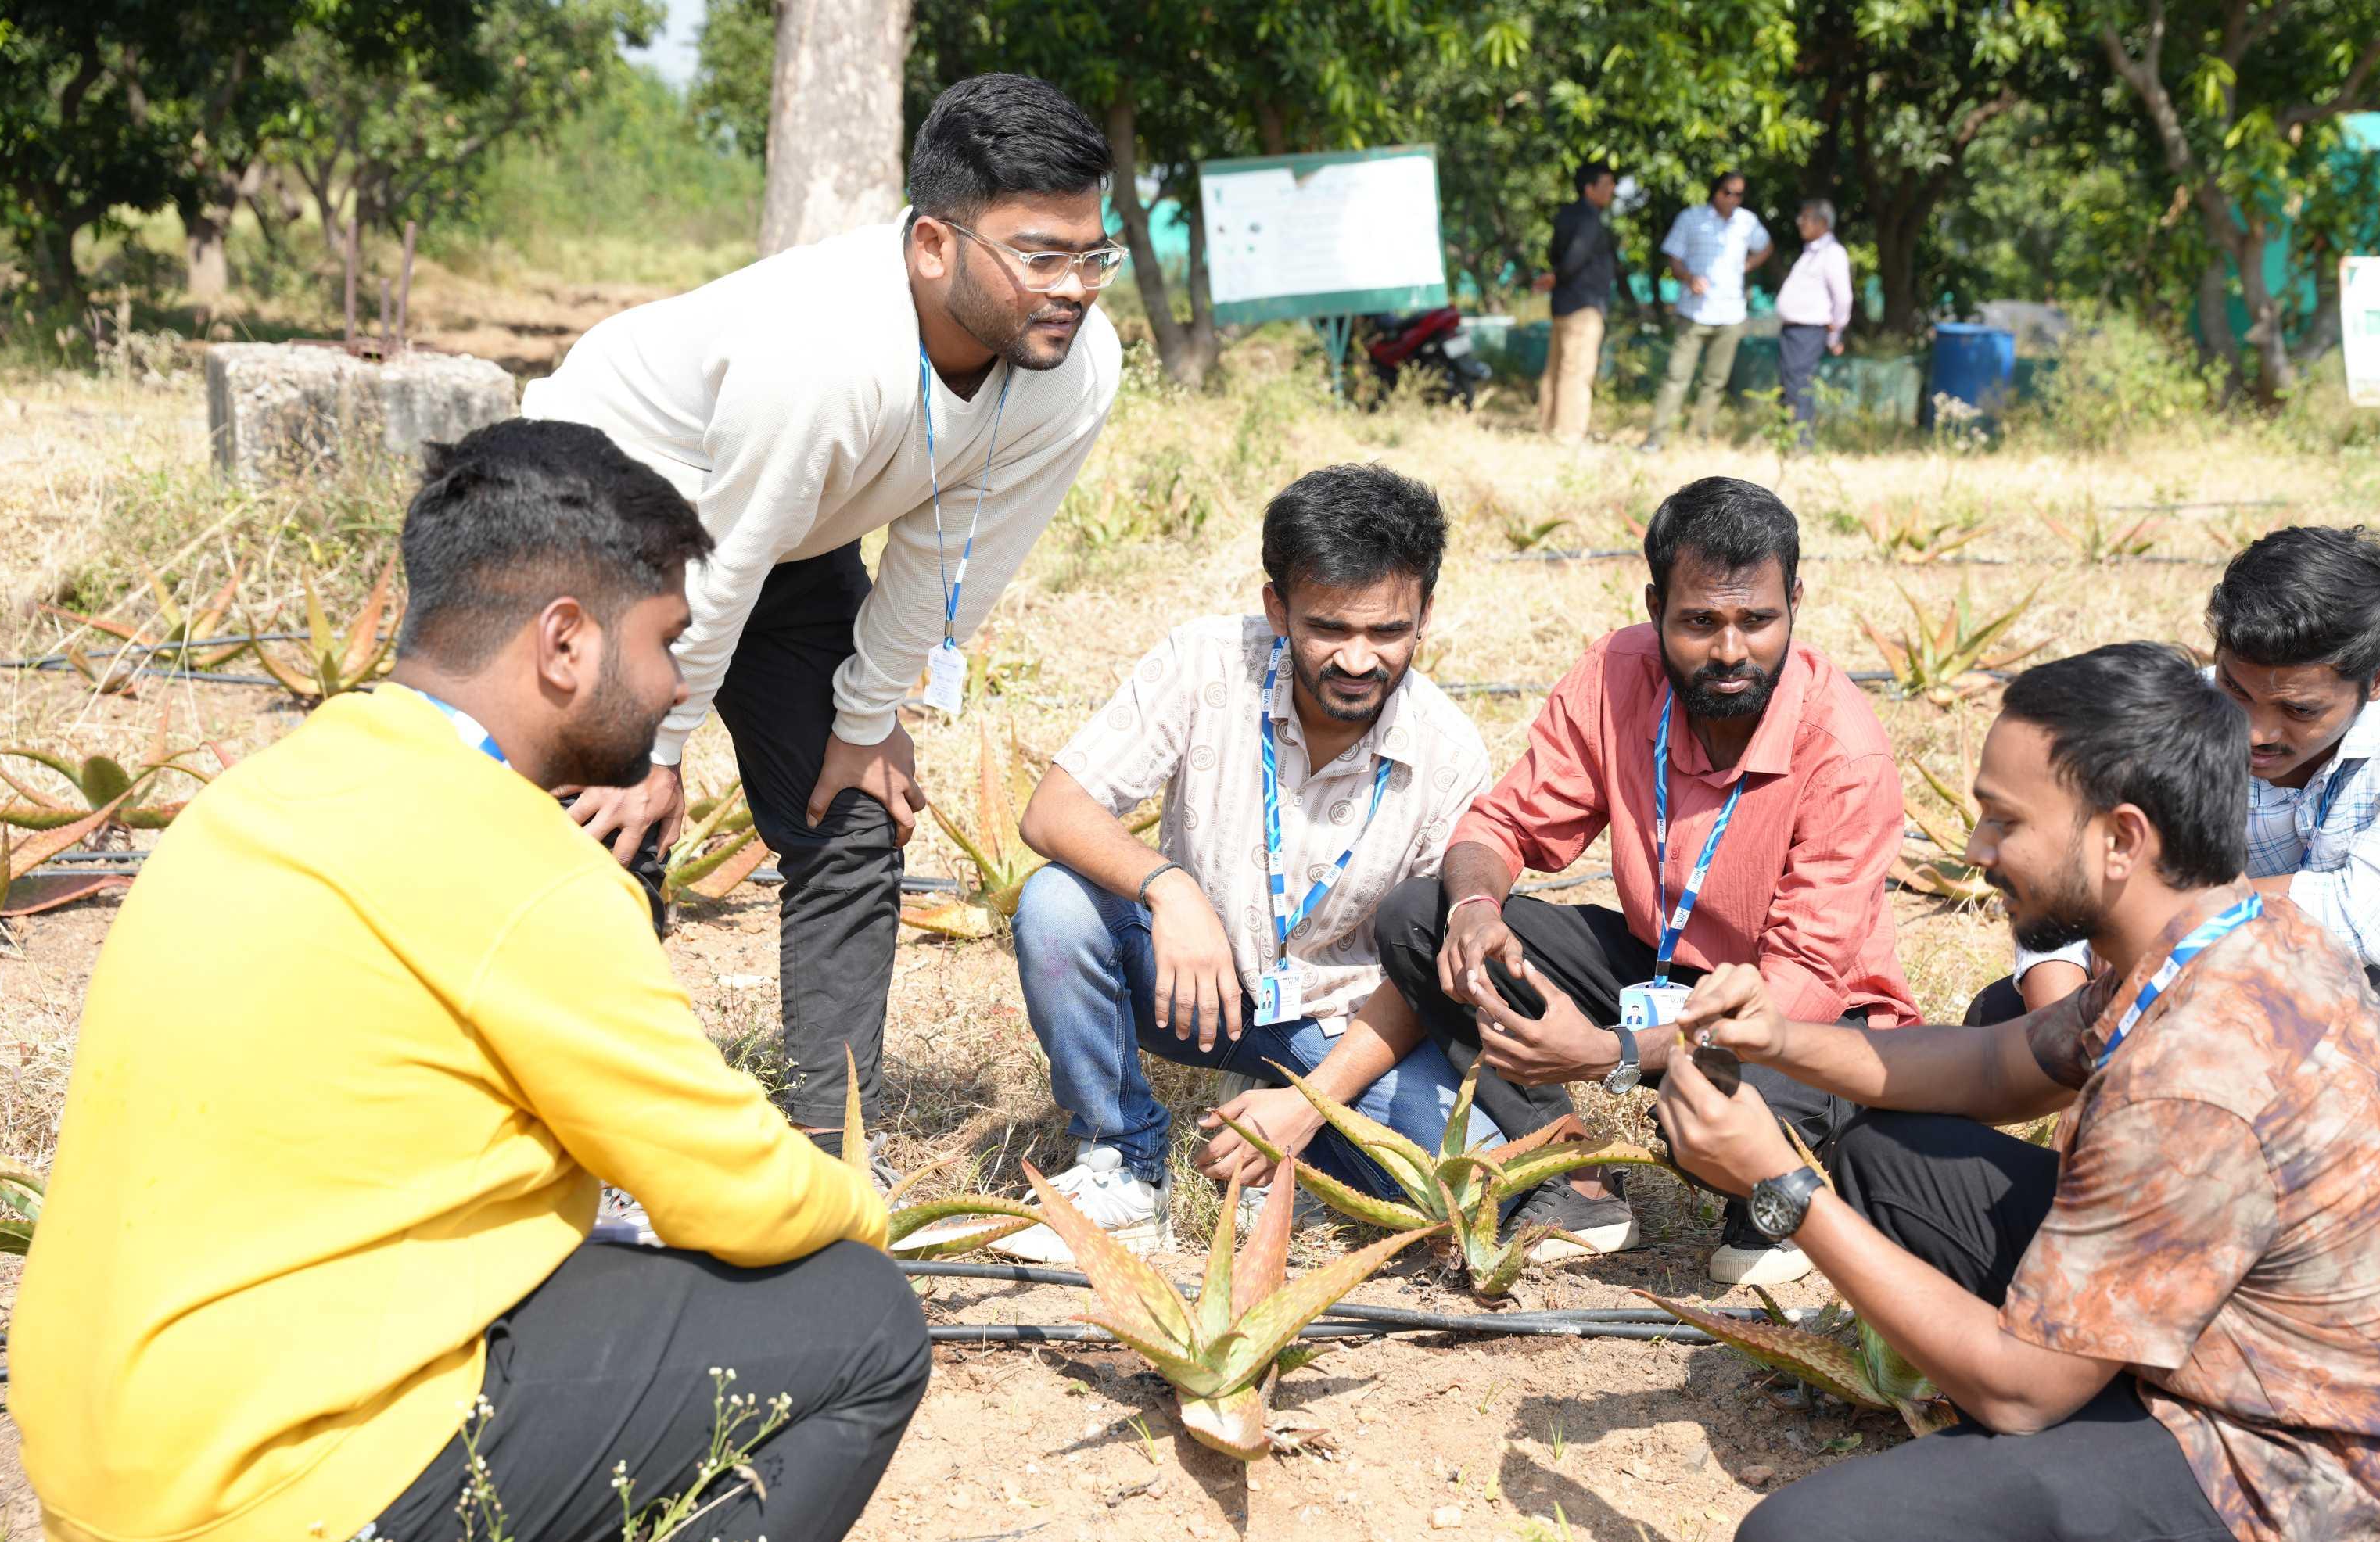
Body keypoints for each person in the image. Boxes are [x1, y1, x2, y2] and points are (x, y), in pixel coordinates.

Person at [13, 421, 927, 1542]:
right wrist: (868, 1211)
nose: (678, 684)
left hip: (105, 1472)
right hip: (263, 1504)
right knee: (860, 1325)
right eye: (666, 642)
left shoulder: (268, 791)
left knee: (585, 1274)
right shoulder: (521, 865)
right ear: (564, 641)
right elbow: (733, 1190)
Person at [1655, 641, 2380, 1542]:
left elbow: (2019, 1391)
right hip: (2244, 1359)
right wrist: (1782, 1039)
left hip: (2297, 1485)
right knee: (1894, 1149)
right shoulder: (2224, 932)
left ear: (2122, 838)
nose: (1975, 848)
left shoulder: (2195, 1074)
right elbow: (2004, 1064)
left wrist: (1783, 1188)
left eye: (2005, 821)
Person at [522, 71, 1125, 1149]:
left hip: (785, 532)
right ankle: (584, 1136)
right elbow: (721, 557)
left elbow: (951, 554)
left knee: (852, 811)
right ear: (933, 245)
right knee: (613, 817)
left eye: (1092, 255)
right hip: (608, 502)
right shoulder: (826, 350)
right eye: (1040, 257)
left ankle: (829, 1146)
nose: (1074, 288)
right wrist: (655, 747)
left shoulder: (1075, 367)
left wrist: (867, 715)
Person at [1377, 476, 1918, 1286]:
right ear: (1656, 605)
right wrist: (1477, 908)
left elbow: (1794, 992)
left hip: (1807, 1019)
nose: (1730, 651)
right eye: (1699, 622)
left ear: (1795, 603)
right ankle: (1570, 1170)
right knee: (1424, 918)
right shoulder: (1619, 674)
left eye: (1757, 620)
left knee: (1711, 1104)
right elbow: (1502, 826)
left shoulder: (1844, 751)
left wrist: (1611, 1053)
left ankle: (1783, 1194)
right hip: (1665, 967)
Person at [1004, 464, 1499, 1258]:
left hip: (1340, 1020)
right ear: (1278, 609)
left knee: (1454, 1180)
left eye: (1387, 633)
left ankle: (1285, 1131)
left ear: (1425, 616)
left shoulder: (1450, 753)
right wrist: (1171, 891)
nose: (1358, 660)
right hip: (1189, 981)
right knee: (1056, 904)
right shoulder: (1205, 662)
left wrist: (1310, 1104)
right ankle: (1124, 1164)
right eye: (1328, 629)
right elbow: (1053, 809)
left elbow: (1419, 974)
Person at [1983, 527, 2380, 1138]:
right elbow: (2072, 872)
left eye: (2299, 710)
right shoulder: (2189, 715)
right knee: (2004, 1020)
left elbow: (2364, 918)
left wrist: (2135, 924)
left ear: (2379, 680)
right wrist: (2069, 1030)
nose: (2255, 732)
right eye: (2235, 690)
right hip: (2216, 974)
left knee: (2274, 1028)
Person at [1642, 171, 1772, 450]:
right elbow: (1674, 258)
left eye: (1738, 194)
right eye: (1727, 192)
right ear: (1715, 191)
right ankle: (1657, 438)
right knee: (1676, 376)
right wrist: (1689, 278)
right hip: (1695, 312)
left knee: (1714, 382)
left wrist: (1748, 265)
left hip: (1731, 313)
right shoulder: (1691, 218)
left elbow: (1766, 246)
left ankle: (1698, 439)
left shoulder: (1747, 221)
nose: (1732, 199)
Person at [1533, 160, 1620, 445]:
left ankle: (1548, 427)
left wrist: (1555, 277)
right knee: (1577, 371)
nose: (1612, 189)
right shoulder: (1591, 220)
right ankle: (1569, 435)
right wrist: (1558, 276)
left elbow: (1554, 253)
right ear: (1589, 188)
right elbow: (1574, 258)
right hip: (1585, 305)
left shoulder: (1565, 215)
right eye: (1606, 184)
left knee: (1556, 368)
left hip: (1563, 303)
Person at [1772, 199, 1853, 446]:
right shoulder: (1811, 251)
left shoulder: (1833, 253)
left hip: (1809, 330)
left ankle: (1801, 444)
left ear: (1823, 222)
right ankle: (1787, 439)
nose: (1800, 223)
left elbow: (1843, 298)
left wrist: (1835, 331)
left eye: (1806, 218)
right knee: (1787, 384)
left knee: (1799, 385)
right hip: (1793, 329)